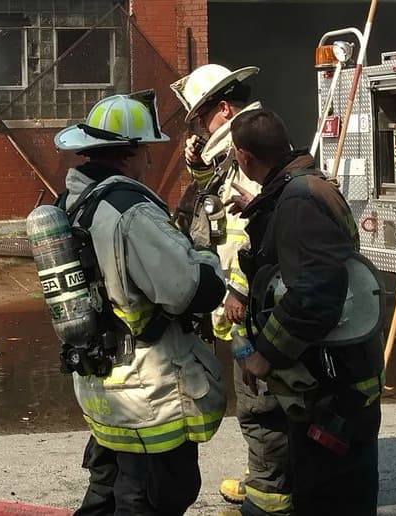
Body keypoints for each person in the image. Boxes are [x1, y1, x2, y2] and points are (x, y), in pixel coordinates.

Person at [52, 90, 227, 516]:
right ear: (129, 155)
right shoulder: (130, 211)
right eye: (146, 151)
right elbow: (187, 290)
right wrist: (205, 256)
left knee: (106, 494)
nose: (150, 160)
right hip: (148, 391)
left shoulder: (73, 201)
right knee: (150, 500)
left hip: (103, 382)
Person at [230, 108, 385, 516]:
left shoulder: (299, 200)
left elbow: (316, 294)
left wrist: (268, 354)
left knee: (329, 497)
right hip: (334, 378)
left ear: (243, 156)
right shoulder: (299, 189)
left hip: (333, 385)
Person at [170, 65, 292, 516]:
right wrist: (198, 165)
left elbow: (251, 236)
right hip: (247, 303)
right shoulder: (240, 150)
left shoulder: (248, 157)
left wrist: (236, 295)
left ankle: (268, 495)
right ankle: (269, 477)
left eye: (202, 118)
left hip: (250, 307)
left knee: (260, 404)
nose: (200, 127)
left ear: (223, 109)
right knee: (262, 397)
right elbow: (214, 204)